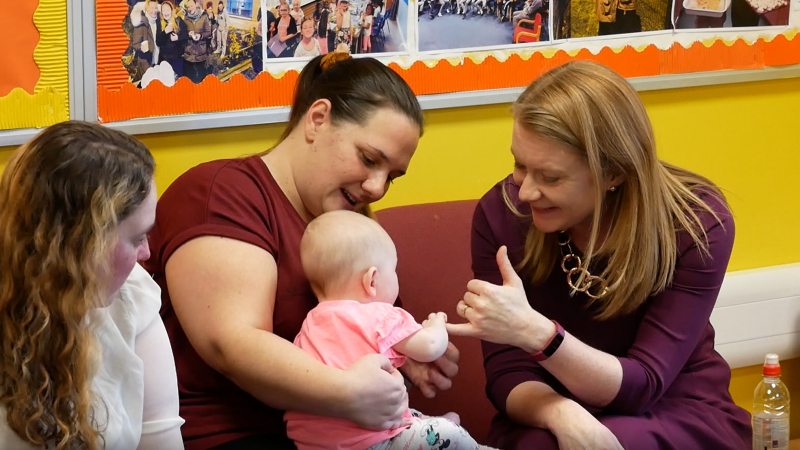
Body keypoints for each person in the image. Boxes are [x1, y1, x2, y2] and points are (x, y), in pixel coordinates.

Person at [143, 52, 459, 450]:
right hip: (232, 437)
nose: (377, 187)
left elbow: (369, 327)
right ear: (317, 119)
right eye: (369, 159)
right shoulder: (221, 192)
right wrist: (348, 392)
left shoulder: (352, 226)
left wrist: (407, 355)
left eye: (391, 176)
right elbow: (232, 343)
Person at [446, 61, 752, 450]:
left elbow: (643, 384)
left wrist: (536, 334)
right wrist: (561, 413)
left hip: (672, 405)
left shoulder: (695, 225)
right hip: (547, 406)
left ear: (614, 174)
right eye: (520, 165)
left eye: (551, 177)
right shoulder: (501, 215)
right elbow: (507, 371)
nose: (525, 192)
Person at [0, 121, 184, 449]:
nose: (147, 253)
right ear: (75, 247)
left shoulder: (130, 298)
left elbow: (162, 438)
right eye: (137, 238)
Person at [286, 211, 491, 450]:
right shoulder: (380, 314)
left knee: (407, 413)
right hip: (374, 440)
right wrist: (436, 323)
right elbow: (430, 347)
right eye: (393, 271)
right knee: (450, 434)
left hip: (312, 444)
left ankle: (424, 425)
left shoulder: (309, 324)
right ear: (372, 281)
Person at [182, 0, 212, 83]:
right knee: (189, 77)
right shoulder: (186, 18)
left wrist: (200, 35)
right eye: (188, 7)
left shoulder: (204, 16)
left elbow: (209, 32)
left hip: (200, 53)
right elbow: (183, 33)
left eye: (191, 5)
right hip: (189, 52)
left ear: (196, 4)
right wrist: (188, 33)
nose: (190, 8)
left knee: (201, 77)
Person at [157, 0, 189, 78]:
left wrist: (178, 38)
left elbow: (186, 37)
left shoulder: (178, 21)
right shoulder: (160, 24)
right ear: (161, 13)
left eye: (168, 10)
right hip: (164, 60)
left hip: (177, 60)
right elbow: (158, 42)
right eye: (164, 11)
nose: (166, 13)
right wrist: (165, 32)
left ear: (171, 10)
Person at [130, 0, 161, 78]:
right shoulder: (142, 23)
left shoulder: (159, 22)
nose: (154, 11)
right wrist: (141, 47)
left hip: (157, 61)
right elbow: (135, 44)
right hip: (146, 62)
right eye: (151, 8)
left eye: (155, 8)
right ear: (146, 9)